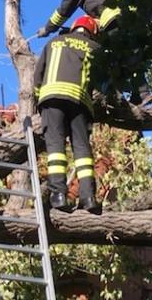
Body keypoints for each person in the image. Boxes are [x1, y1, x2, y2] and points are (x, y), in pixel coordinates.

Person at [37, 0, 149, 105]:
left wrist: (47, 28)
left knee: (110, 60)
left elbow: (64, 10)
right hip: (127, 16)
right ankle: (140, 93)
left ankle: (116, 98)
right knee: (128, 56)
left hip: (114, 18)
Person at [34, 15, 102, 214]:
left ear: (73, 27)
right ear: (92, 32)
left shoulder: (54, 42)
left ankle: (59, 195)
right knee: (82, 151)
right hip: (80, 102)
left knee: (55, 148)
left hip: (52, 99)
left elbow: (37, 77)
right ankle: (88, 197)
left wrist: (40, 100)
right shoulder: (94, 48)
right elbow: (100, 83)